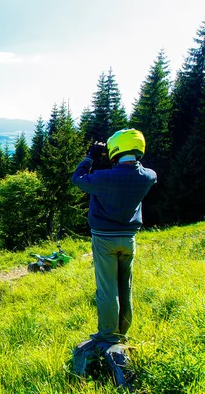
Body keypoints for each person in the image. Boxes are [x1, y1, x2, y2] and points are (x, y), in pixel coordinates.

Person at [71, 129, 157, 343]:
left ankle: (108, 335)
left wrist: (91, 156)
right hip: (129, 239)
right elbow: (136, 172)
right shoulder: (148, 176)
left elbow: (77, 178)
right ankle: (123, 331)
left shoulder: (104, 177)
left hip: (104, 239)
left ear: (116, 149)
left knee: (107, 289)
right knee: (124, 286)